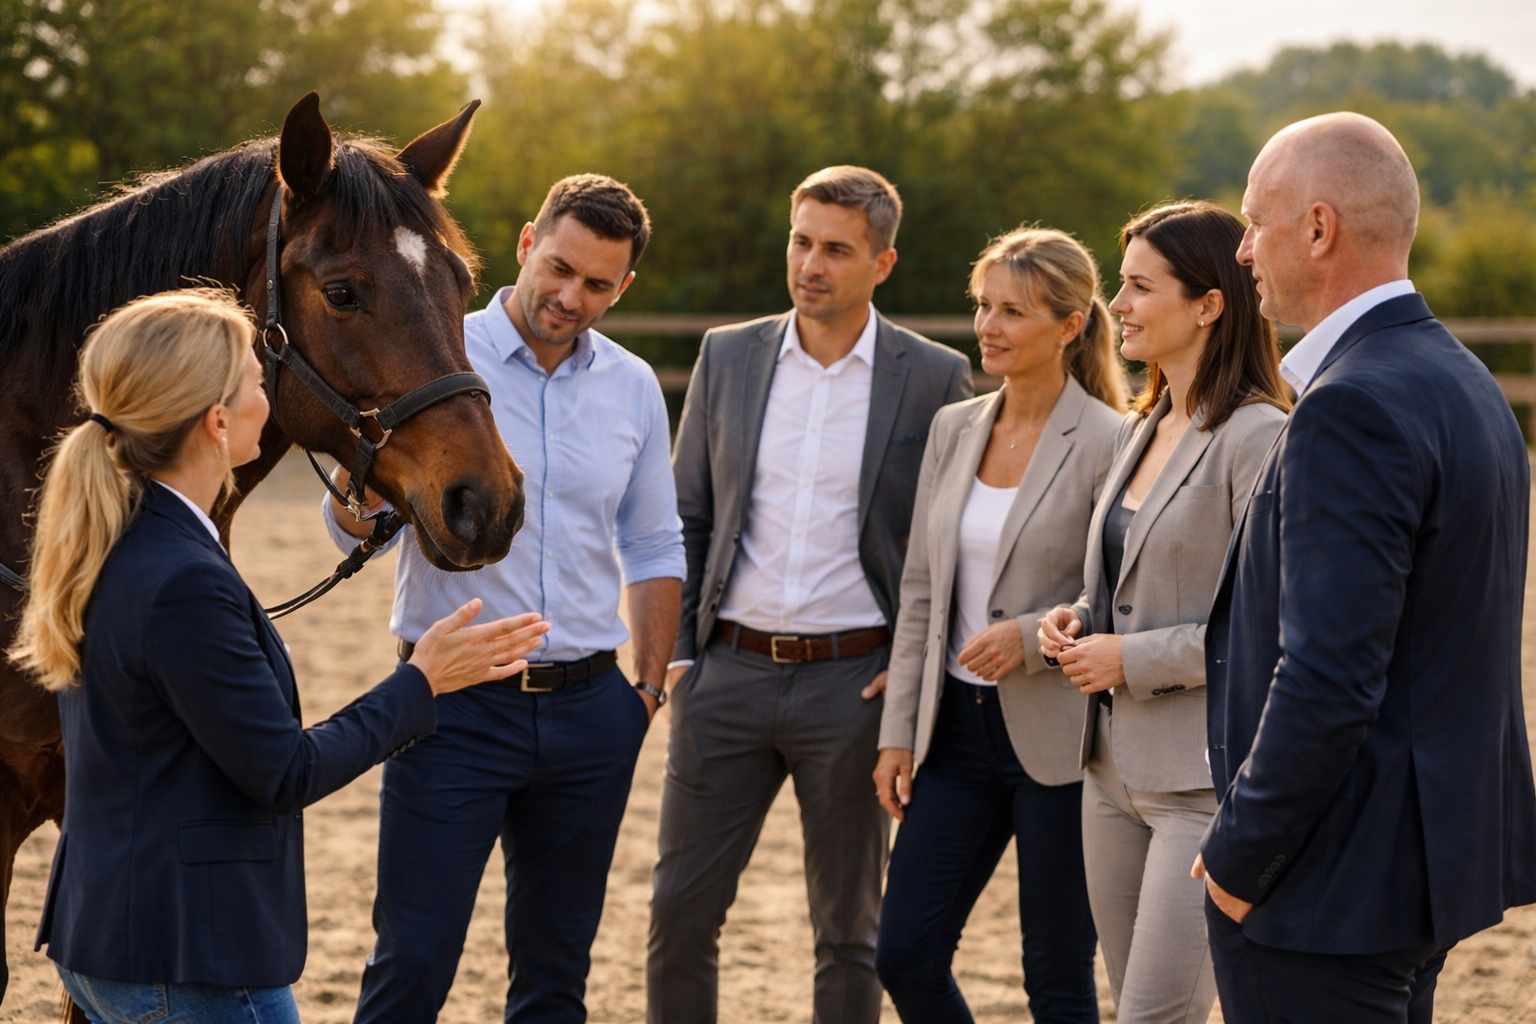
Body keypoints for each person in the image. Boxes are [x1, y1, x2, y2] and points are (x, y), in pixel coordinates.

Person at [8, 289, 547, 1024]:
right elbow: (284, 771)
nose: (273, 397)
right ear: (218, 420)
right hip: (191, 960)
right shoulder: (182, 577)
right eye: (259, 382)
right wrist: (423, 681)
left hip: (112, 939)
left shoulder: (127, 536)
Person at [1196, 112, 1536, 1024]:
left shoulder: (1352, 405)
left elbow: (1331, 674)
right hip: (1429, 862)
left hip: (1327, 887)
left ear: (1317, 228)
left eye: (1252, 222)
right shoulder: (1464, 382)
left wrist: (1242, 858)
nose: (1241, 251)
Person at [326, 175, 685, 1023]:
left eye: (598, 284)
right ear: (527, 244)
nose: (570, 296)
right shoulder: (435, 350)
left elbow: (654, 543)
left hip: (594, 709)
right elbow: (349, 531)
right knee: (412, 961)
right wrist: (360, 498)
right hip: (453, 708)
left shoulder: (632, 386)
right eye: (559, 268)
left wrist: (648, 690)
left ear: (623, 287)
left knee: (556, 978)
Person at [651, 165, 973, 1024]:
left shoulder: (935, 376)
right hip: (726, 677)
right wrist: (684, 655)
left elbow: (950, 547)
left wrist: (909, 678)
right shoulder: (729, 354)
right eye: (801, 241)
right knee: (680, 913)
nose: (811, 264)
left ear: (883, 263)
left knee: (849, 931)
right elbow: (687, 511)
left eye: (837, 248)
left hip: (854, 686)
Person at [1038, 201, 1289, 1024]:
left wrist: (1129, 658)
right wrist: (1073, 621)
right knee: (1132, 1008)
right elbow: (1119, 586)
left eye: (1140, 287)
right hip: (1106, 772)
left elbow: (1273, 624)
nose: (1118, 304)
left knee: (1156, 1017)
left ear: (1210, 303)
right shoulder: (1140, 429)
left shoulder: (1260, 437)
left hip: (1202, 784)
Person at [871, 227, 1125, 1024]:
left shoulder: (1112, 441)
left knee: (1055, 977)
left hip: (1063, 741)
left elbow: (1119, 591)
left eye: (1013, 310)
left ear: (1069, 324)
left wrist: (1030, 640)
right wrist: (898, 730)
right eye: (983, 306)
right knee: (905, 954)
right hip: (953, 734)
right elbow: (922, 592)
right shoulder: (957, 428)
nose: (988, 325)